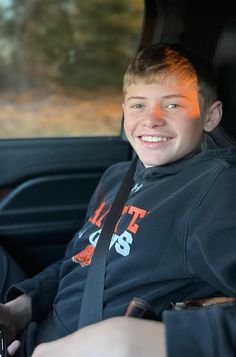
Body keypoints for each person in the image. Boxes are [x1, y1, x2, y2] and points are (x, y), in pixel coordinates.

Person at [1, 43, 236, 357]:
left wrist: (138, 340)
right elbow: (79, 259)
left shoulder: (215, 191)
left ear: (210, 116)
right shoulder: (117, 177)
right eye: (138, 105)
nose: (152, 119)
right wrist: (23, 305)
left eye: (173, 105)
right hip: (33, 333)